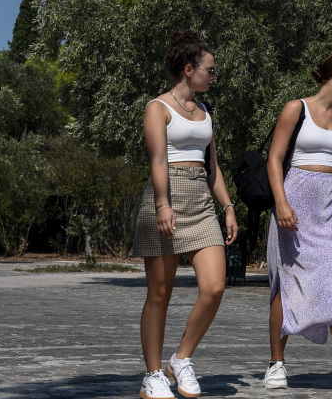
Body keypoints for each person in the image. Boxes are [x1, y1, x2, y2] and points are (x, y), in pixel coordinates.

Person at [262, 53, 332, 396]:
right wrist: (281, 203)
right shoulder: (295, 109)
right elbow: (274, 159)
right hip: (295, 203)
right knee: (288, 282)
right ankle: (276, 363)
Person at [135, 30, 238, 399]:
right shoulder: (157, 108)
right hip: (167, 196)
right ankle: (152, 375)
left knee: (214, 287)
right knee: (160, 294)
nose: (214, 76)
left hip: (201, 201)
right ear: (189, 69)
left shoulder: (205, 112)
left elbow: (213, 167)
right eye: (210, 70)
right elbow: (158, 160)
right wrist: (162, 205)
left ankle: (181, 359)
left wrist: (228, 207)